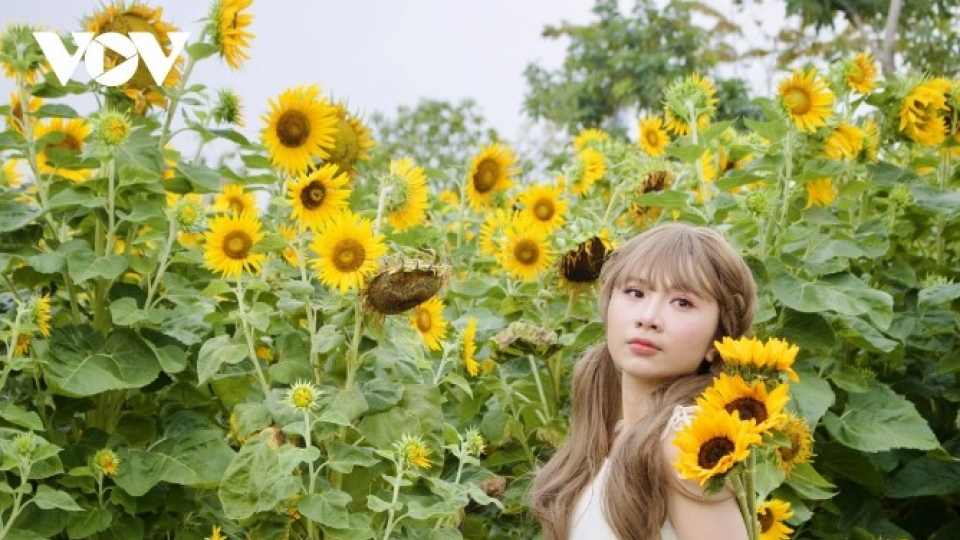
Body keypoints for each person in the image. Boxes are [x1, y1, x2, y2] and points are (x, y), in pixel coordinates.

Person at [529, 223, 757, 540]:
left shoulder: (688, 442)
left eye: (682, 302)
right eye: (635, 292)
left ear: (717, 339)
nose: (648, 317)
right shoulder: (611, 433)